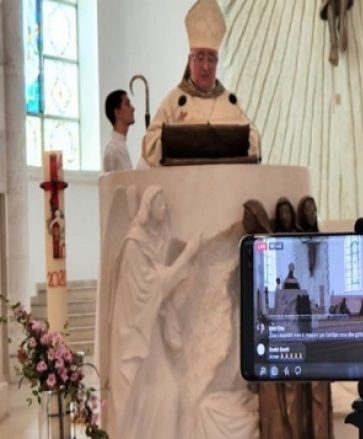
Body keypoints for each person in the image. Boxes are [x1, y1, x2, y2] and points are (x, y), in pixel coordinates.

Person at [108, 186, 202, 437]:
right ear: (149, 207)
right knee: (159, 396)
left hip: (148, 333)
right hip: (135, 338)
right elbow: (157, 285)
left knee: (169, 394)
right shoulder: (133, 246)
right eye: (160, 204)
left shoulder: (147, 242)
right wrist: (188, 253)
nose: (165, 208)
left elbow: (159, 275)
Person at [141, 0, 260, 167]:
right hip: (184, 181)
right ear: (190, 60)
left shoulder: (230, 103)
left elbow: (253, 140)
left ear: (217, 62)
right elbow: (150, 143)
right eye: (200, 57)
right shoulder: (175, 101)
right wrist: (172, 141)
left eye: (211, 59)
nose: (205, 66)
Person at [102, 89, 135, 172]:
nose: (133, 108)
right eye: (127, 104)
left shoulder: (120, 146)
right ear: (117, 113)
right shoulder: (113, 150)